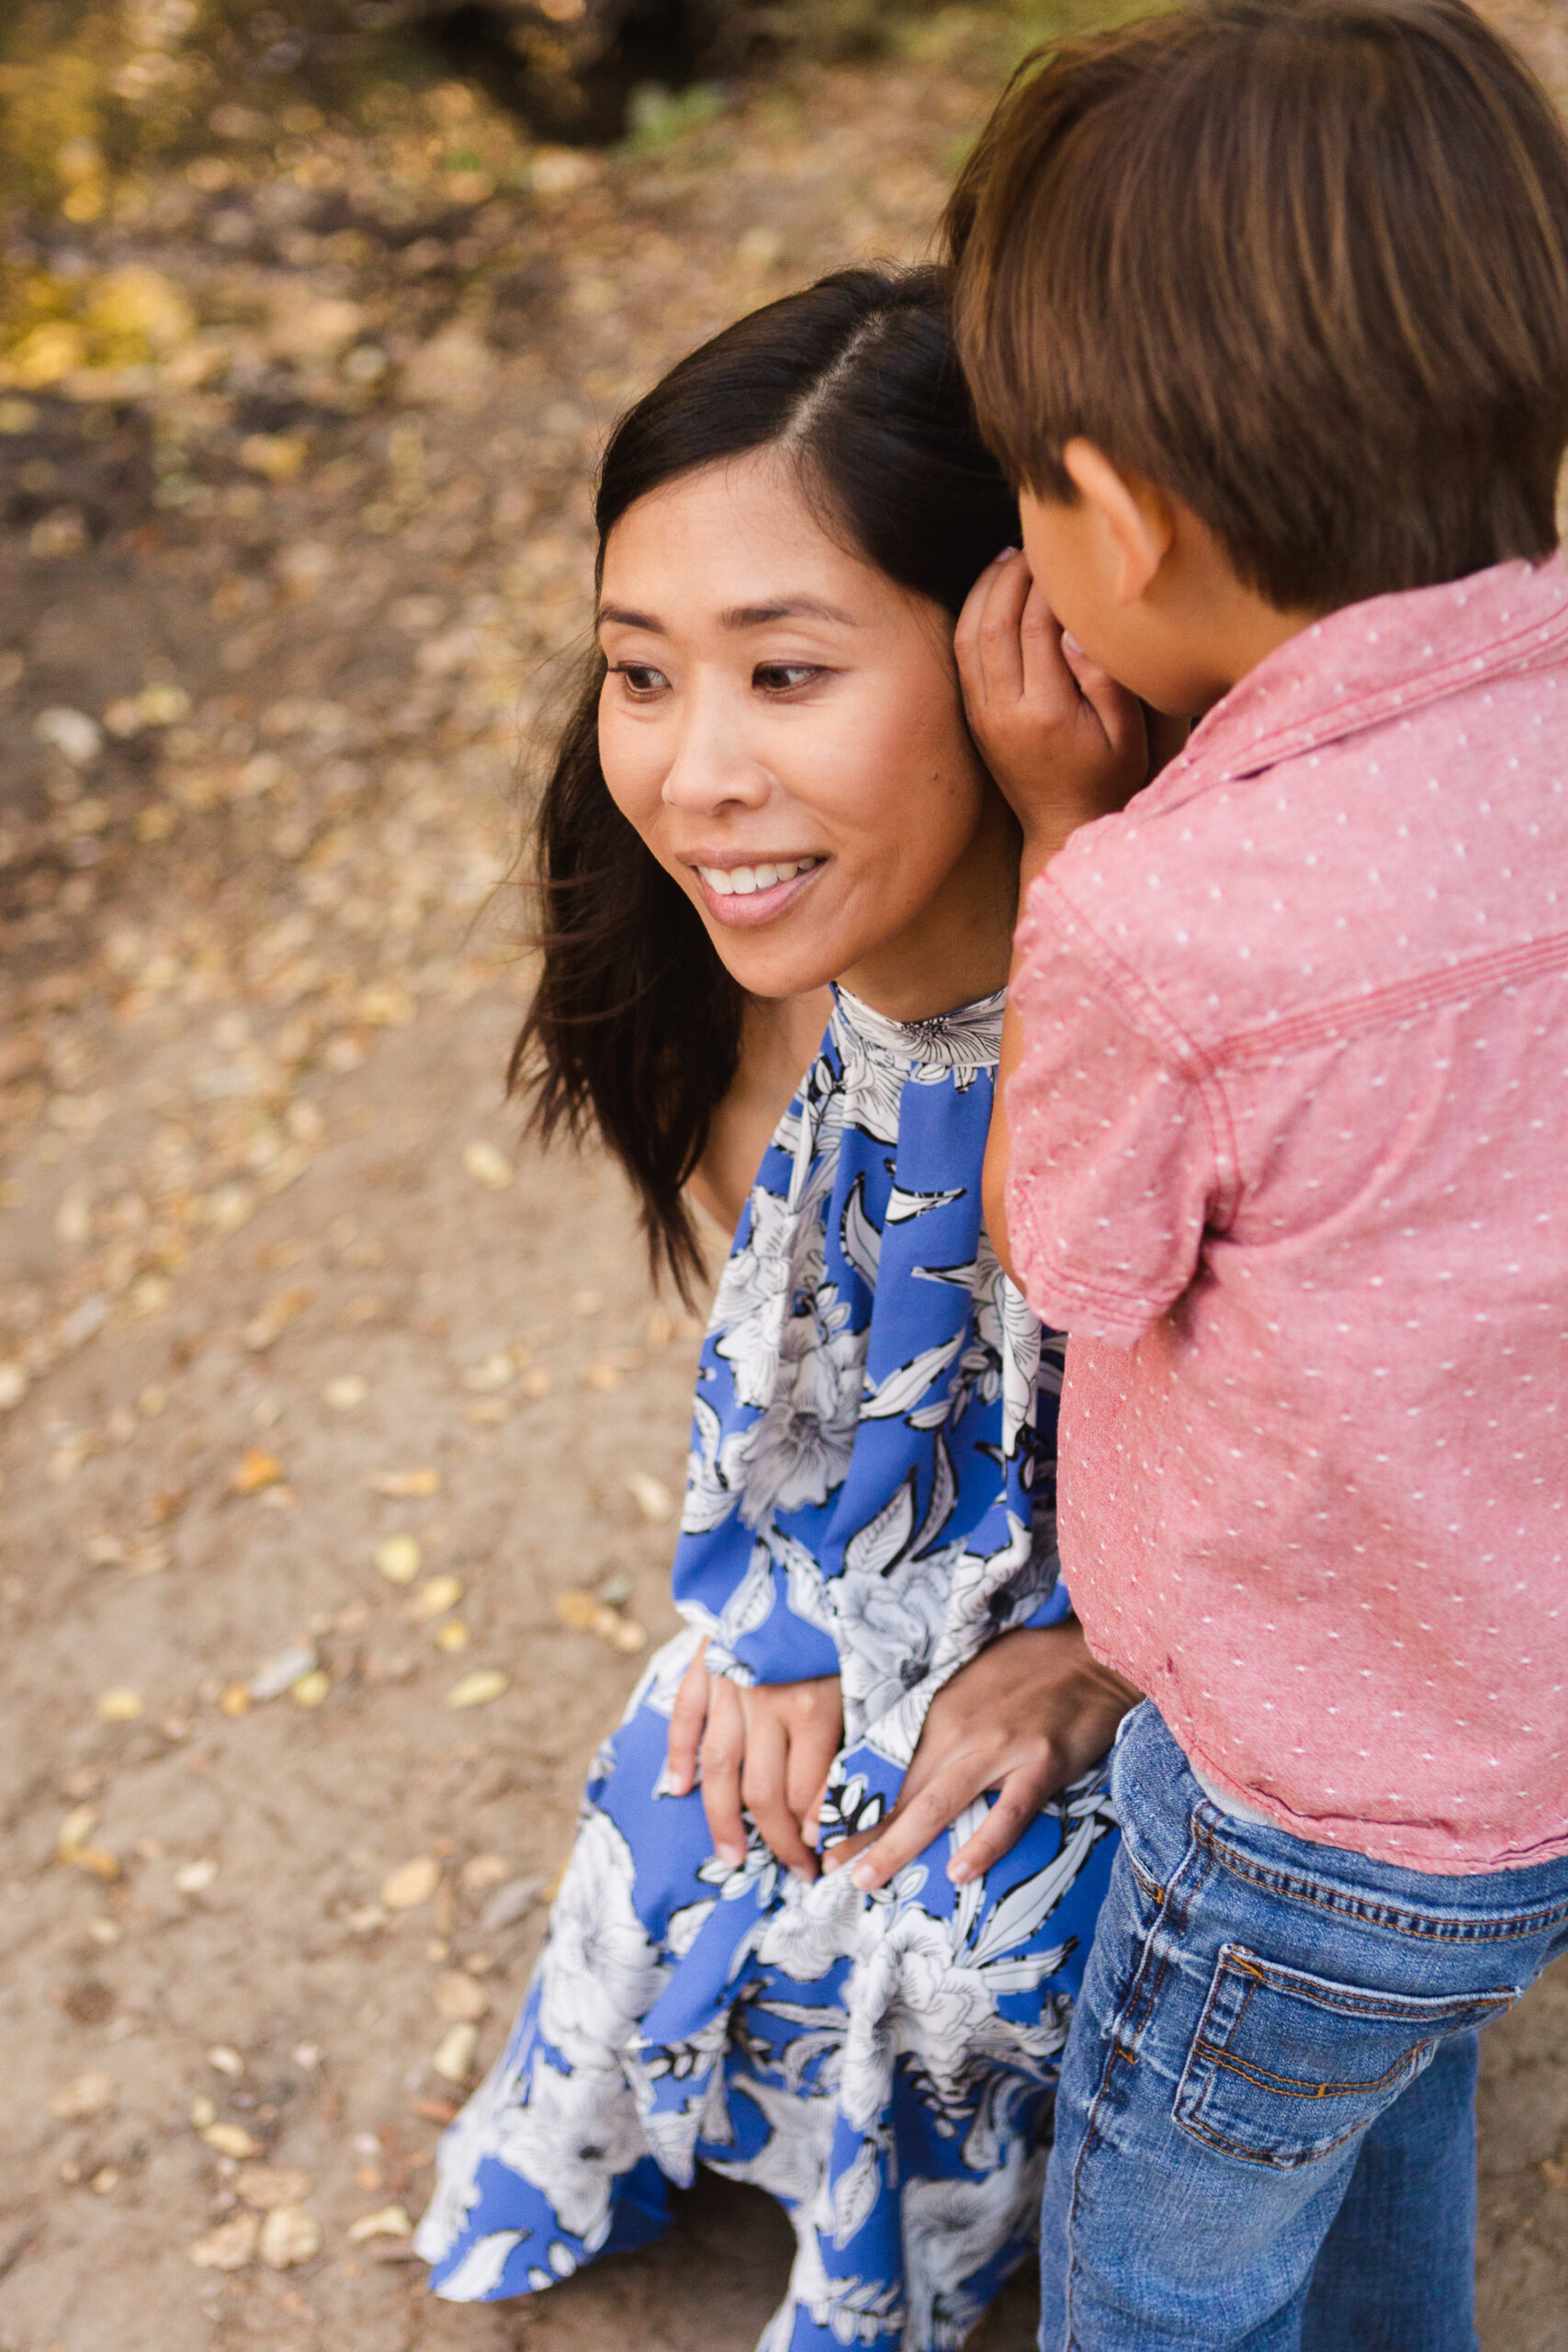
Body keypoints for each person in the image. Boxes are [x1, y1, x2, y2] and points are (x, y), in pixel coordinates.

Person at [413, 266, 1146, 2348]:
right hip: (890, 1577)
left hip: (1186, 1631)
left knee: (954, 1929)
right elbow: (799, 1377)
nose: (694, 769)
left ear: (1016, 650)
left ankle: (905, 2270)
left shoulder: (1164, 999)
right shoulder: (762, 999)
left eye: (788, 672)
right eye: (642, 674)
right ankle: (618, 2144)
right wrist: (782, 1613)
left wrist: (1093, 1654)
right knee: (681, 1798)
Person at [937, 4, 1568, 2346]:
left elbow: (1070, 1247)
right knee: (1390, 2104)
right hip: (1527, 1750)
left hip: (1296, 1810)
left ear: (1113, 520)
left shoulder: (1159, 913)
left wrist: (1051, 825)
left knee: (1169, 2256)